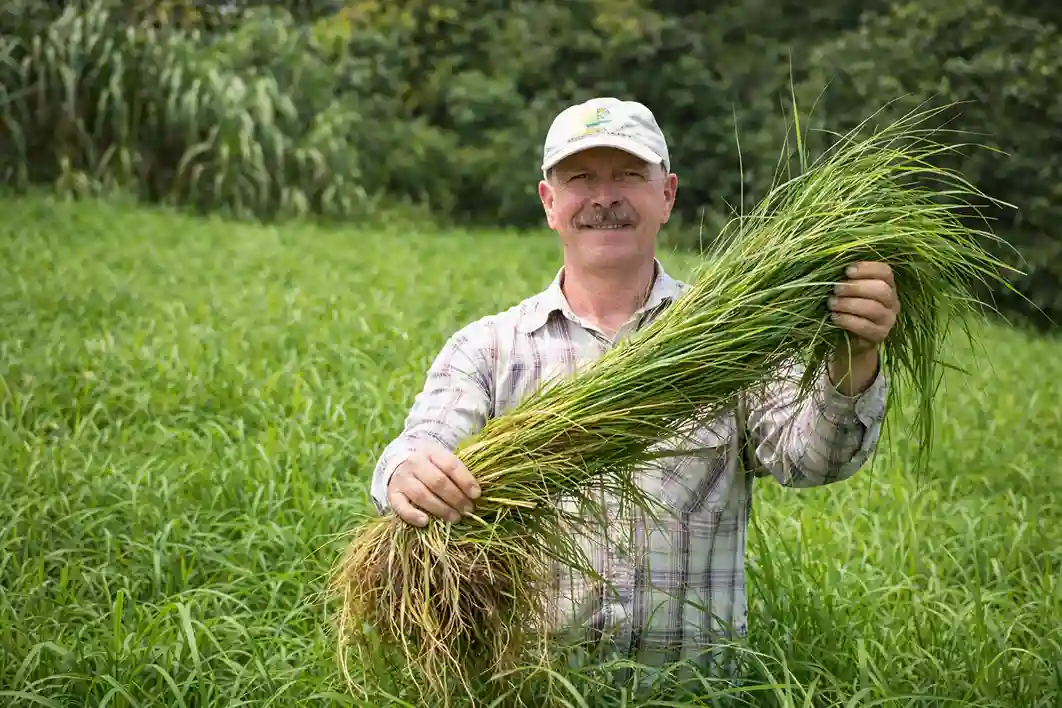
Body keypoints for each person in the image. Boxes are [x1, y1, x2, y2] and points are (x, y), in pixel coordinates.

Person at [369, 97, 899, 673]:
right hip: (536, 688)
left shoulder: (732, 335)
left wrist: (855, 355)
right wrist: (406, 473)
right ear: (549, 203)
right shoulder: (489, 349)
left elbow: (813, 461)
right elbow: (423, 442)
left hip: (693, 693)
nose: (604, 198)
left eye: (628, 175)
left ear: (666, 195)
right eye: (580, 179)